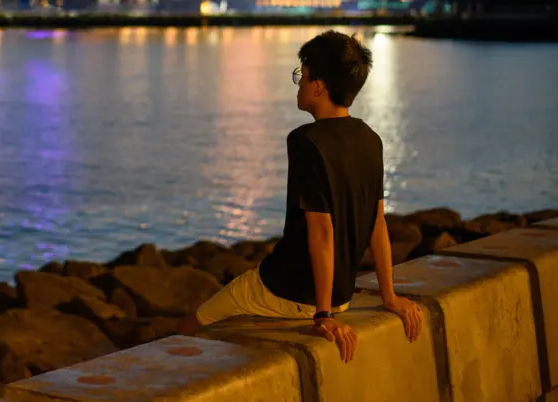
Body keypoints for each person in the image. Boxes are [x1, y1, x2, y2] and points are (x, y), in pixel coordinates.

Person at [178, 30, 422, 363]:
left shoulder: (306, 141)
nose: (299, 84)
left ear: (319, 87)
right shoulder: (371, 139)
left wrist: (322, 315)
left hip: (289, 289)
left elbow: (320, 231)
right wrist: (388, 296)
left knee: (191, 326)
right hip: (342, 296)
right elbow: (376, 224)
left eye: (302, 76)